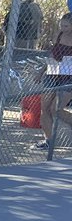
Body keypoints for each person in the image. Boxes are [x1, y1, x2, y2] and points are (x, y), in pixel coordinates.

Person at [38, 12, 72, 150]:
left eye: (66, 26)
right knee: (45, 108)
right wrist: (41, 71)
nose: (63, 27)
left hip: (69, 75)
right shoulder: (58, 35)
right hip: (53, 73)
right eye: (61, 25)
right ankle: (49, 140)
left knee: (56, 109)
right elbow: (52, 55)